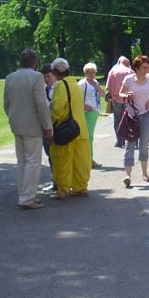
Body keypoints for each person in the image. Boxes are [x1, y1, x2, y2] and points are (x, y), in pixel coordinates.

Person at [3, 49, 53, 210]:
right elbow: (41, 104)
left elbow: (6, 103)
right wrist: (47, 126)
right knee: (33, 162)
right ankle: (27, 197)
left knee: (22, 161)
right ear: (34, 62)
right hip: (32, 125)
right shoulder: (37, 77)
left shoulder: (10, 78)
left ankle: (23, 193)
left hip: (16, 124)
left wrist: (12, 117)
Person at [49, 58, 91, 199]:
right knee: (80, 160)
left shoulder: (61, 85)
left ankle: (63, 190)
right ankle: (81, 187)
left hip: (66, 129)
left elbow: (57, 108)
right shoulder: (76, 84)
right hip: (80, 128)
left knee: (63, 160)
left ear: (55, 72)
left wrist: (51, 122)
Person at [119, 55, 149, 187]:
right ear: (136, 68)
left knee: (144, 144)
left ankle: (145, 173)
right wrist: (126, 95)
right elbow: (120, 94)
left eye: (148, 67)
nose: (147, 70)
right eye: (144, 67)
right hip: (131, 115)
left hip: (145, 114)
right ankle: (127, 175)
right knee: (130, 144)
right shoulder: (128, 79)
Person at [38, 63, 58, 194]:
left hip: (59, 126)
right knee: (49, 154)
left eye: (48, 76)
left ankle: (61, 180)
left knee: (59, 154)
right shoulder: (43, 90)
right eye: (44, 77)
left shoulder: (60, 88)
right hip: (47, 125)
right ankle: (54, 180)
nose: (46, 79)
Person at [79, 62, 104, 168]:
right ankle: (88, 160)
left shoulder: (95, 82)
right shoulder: (82, 84)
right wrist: (84, 105)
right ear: (85, 73)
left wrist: (96, 85)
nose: (91, 75)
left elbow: (103, 94)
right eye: (89, 73)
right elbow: (77, 98)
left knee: (90, 136)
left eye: (93, 73)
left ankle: (88, 159)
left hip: (94, 111)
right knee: (88, 137)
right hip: (87, 112)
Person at [106, 56, 133, 148]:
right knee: (129, 119)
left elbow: (108, 87)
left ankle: (119, 140)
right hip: (127, 99)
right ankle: (129, 139)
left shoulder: (112, 71)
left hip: (116, 99)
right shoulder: (130, 71)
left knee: (117, 119)